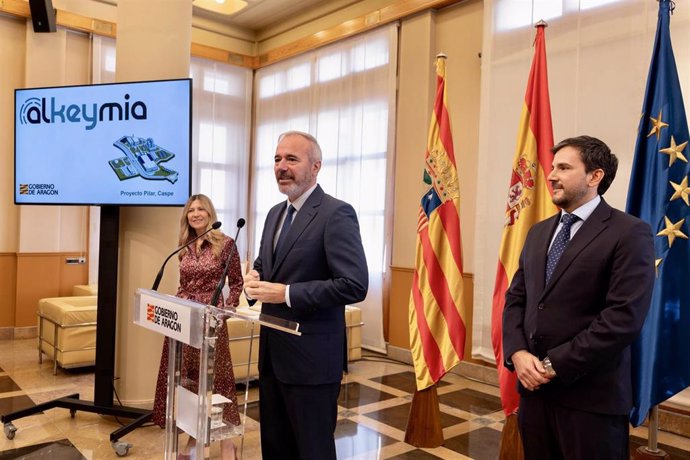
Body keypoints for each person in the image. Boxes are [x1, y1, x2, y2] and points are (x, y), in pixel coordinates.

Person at [502, 135, 655, 459]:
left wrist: (551, 365)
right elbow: (517, 299)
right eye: (553, 166)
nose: (551, 175)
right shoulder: (538, 231)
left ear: (594, 176)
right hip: (534, 395)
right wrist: (517, 353)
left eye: (564, 167)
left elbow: (622, 318)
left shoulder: (629, 232)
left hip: (591, 401)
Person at [243, 131, 368, 460]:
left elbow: (354, 284)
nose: (281, 167)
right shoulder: (274, 214)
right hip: (272, 358)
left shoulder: (336, 214)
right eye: (277, 159)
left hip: (312, 362)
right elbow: (265, 265)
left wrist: (286, 293)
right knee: (276, 448)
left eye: (291, 159)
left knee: (312, 451)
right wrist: (254, 279)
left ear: (316, 167)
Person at [152, 194, 242, 460]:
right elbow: (183, 285)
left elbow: (236, 283)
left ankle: (227, 443)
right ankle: (193, 438)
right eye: (191, 210)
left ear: (210, 213)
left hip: (211, 321)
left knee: (216, 381)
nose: (196, 214)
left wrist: (227, 310)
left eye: (201, 209)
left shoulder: (226, 244)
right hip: (183, 320)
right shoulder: (184, 245)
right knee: (188, 380)